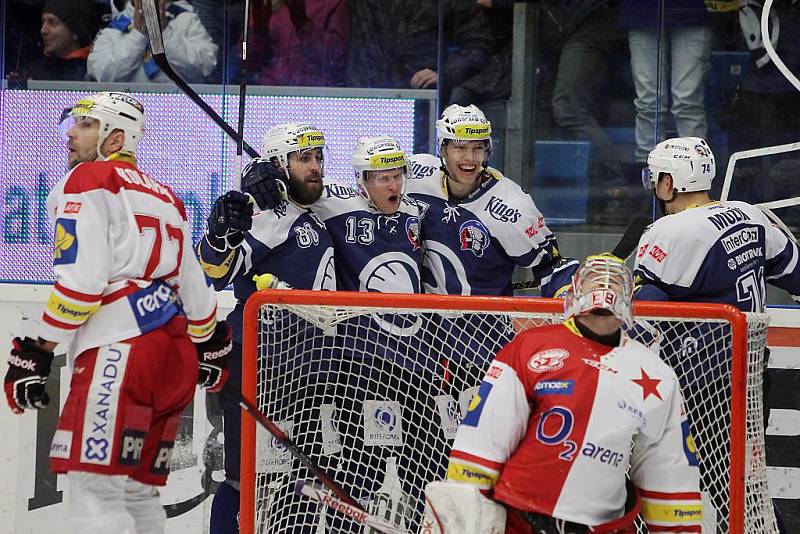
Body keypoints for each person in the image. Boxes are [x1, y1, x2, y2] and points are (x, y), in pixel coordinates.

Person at [3, 91, 231, 534]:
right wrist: (210, 347)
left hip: (122, 351)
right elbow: (197, 293)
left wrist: (40, 350)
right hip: (174, 357)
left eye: (86, 125)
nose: (71, 132)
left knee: (95, 492)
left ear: (115, 137)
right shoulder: (166, 195)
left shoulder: (88, 179)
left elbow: (83, 284)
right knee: (138, 493)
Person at [423, 255, 703, 534]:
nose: (605, 289)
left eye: (616, 283)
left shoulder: (655, 372)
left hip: (604, 526)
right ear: (575, 291)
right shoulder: (530, 347)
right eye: (594, 279)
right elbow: (484, 437)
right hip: (521, 520)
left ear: (630, 299)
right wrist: (465, 506)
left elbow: (668, 468)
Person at [635, 136, 800, 532]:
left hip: (701, 383)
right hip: (753, 375)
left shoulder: (669, 232)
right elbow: (793, 270)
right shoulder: (749, 215)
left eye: (656, 177)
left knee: (671, 484)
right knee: (743, 489)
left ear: (669, 183)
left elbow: (640, 317)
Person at [198, 122, 337, 534]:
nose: (316, 167)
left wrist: (261, 171)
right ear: (281, 165)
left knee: (308, 480)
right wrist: (221, 231)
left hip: (313, 366)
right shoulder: (266, 216)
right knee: (244, 476)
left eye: (318, 157)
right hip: (261, 364)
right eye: (304, 159)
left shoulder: (315, 208)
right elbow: (215, 270)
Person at [407, 103, 574, 298]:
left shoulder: (511, 208)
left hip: (485, 326)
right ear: (442, 150)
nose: (470, 158)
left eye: (478, 148)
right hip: (423, 326)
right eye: (460, 148)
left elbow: (551, 266)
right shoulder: (416, 173)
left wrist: (570, 295)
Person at [619, 0, 712, 164]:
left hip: (690, 11)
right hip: (643, 12)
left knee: (685, 101)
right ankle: (648, 165)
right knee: (651, 101)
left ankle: (695, 167)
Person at [88, 0, 217, 83]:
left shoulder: (186, 20)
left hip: (179, 111)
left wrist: (164, 32)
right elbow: (103, 78)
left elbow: (205, 69)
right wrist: (139, 34)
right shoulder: (113, 30)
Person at [248, 0, 349, 87]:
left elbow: (335, 58)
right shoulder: (265, 3)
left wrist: (302, 22)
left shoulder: (333, 3)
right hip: (267, 99)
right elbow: (243, 56)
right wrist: (260, 30)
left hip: (315, 99)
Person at [10, 0, 100, 81]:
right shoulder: (28, 75)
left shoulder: (96, 73)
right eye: (43, 22)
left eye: (52, 23)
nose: (43, 31)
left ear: (75, 33)